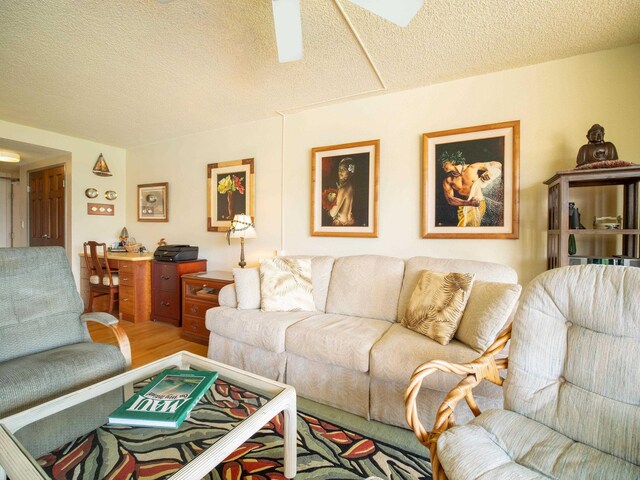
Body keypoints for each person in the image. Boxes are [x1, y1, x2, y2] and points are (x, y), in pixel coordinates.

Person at [440, 151, 502, 227]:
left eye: (444, 163)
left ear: (452, 161)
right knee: (462, 230)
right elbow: (450, 200)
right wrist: (469, 203)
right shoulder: (448, 180)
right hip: (462, 206)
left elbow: (498, 164)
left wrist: (488, 172)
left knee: (468, 230)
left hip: (477, 204)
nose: (442, 166)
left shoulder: (473, 168)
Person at [325, 157, 355, 226]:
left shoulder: (343, 189)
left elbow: (333, 214)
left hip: (341, 224)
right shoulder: (350, 186)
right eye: (339, 169)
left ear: (349, 172)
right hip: (348, 222)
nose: (340, 172)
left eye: (344, 169)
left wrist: (328, 209)